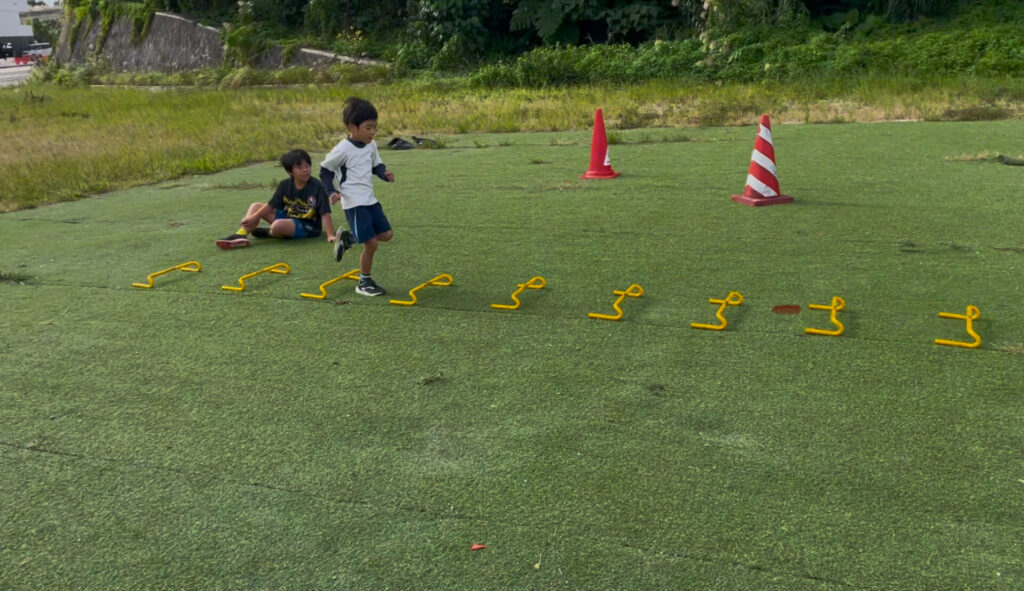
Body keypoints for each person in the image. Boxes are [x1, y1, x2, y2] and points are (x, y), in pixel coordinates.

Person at [320, 97, 395, 297]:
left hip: (370, 199)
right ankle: (364, 281)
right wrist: (331, 191)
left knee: (387, 234)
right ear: (352, 127)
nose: (372, 132)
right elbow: (325, 171)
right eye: (368, 128)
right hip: (353, 202)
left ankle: (349, 239)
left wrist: (383, 174)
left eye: (374, 128)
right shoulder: (342, 149)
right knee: (371, 243)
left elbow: (375, 164)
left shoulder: (371, 145)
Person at [216, 149, 337, 249]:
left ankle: (270, 233)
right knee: (256, 206)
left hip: (307, 227)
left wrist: (330, 235)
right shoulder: (284, 185)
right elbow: (271, 205)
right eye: (300, 167)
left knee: (277, 226)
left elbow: (325, 213)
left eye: (307, 166)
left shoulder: (317, 187)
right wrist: (254, 217)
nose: (305, 170)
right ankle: (241, 234)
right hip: (288, 218)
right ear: (289, 172)